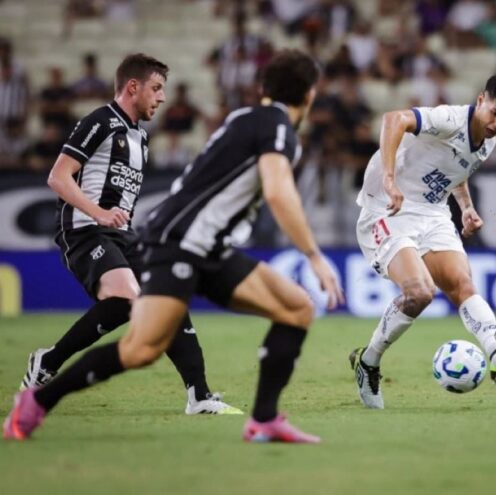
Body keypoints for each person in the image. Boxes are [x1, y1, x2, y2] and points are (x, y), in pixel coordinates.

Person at [4, 49, 344, 444]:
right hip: (176, 244)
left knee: (297, 307)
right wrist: (314, 255)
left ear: (264, 88)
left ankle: (258, 417)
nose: (162, 97)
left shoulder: (243, 119)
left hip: (199, 245)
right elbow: (279, 190)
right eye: (157, 88)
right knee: (140, 349)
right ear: (310, 94)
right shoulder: (277, 126)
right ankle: (38, 400)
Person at [16, 53, 240, 417]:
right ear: (133, 87)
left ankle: (199, 395)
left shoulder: (140, 136)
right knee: (127, 298)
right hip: (85, 230)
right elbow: (58, 177)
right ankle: (48, 362)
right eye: (156, 88)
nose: (162, 97)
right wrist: (100, 213)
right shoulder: (100, 121)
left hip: (121, 235)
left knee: (169, 296)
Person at [350, 74, 496, 409]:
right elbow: (394, 119)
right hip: (388, 208)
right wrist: (389, 178)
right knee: (420, 292)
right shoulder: (449, 119)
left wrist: (467, 207)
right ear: (480, 99)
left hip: (432, 213)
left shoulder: (487, 142)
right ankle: (368, 362)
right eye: (495, 112)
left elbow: (452, 172)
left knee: (462, 283)